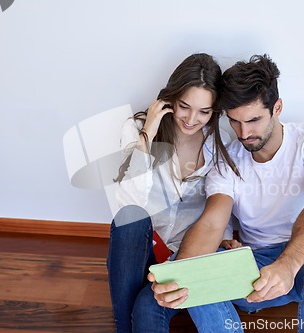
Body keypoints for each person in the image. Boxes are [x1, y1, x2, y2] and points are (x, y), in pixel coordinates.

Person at [150, 54, 304, 332]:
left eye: (254, 120)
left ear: (277, 107)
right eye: (235, 122)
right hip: (251, 271)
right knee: (185, 266)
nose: (244, 133)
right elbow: (211, 223)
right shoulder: (228, 158)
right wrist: (182, 274)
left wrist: (287, 265)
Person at [107, 53, 242, 333]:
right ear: (170, 99)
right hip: (142, 250)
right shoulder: (137, 127)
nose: (192, 119)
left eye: (204, 112)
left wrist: (227, 237)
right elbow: (126, 206)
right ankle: (122, 327)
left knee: (147, 309)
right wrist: (147, 136)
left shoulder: (219, 146)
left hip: (187, 252)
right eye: (184, 106)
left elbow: (220, 201)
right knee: (130, 217)